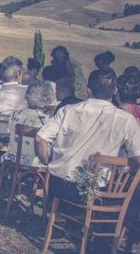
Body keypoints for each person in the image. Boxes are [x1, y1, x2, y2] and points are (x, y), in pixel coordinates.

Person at [35, 68, 140, 204]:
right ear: (115, 91)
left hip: (58, 185)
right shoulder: (125, 119)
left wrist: (46, 162)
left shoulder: (68, 110)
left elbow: (40, 138)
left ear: (88, 90)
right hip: (95, 191)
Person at [3, 81, 55, 166]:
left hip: (13, 158)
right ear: (48, 98)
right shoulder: (46, 121)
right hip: (33, 163)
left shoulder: (15, 114)